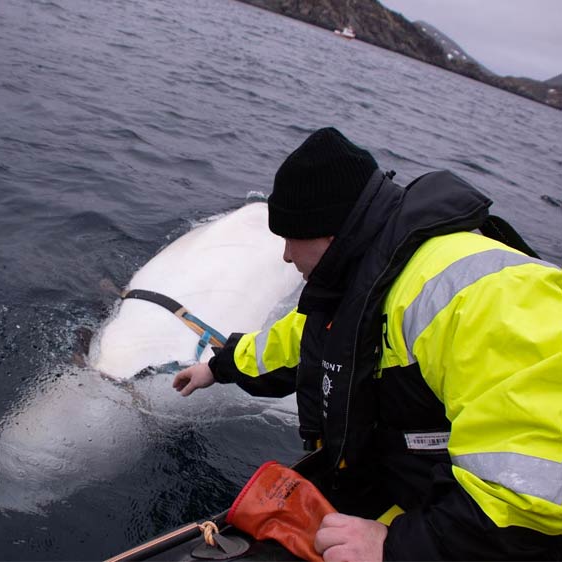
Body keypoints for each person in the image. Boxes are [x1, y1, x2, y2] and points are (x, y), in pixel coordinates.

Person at [172, 127, 562, 561]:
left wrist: (397, 547)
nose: (285, 256)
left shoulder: (485, 295)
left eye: (290, 238)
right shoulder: (372, 275)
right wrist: (219, 367)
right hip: (422, 493)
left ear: (329, 233)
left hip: (470, 533)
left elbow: (538, 494)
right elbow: (305, 342)